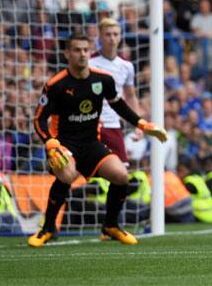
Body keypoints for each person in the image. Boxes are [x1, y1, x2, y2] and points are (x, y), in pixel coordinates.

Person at [28, 33, 167, 247]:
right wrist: (50, 143)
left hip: (92, 144)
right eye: (77, 50)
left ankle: (110, 225)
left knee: (121, 175)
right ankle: (48, 227)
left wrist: (142, 124)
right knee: (66, 174)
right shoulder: (56, 84)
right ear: (67, 54)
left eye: (85, 50)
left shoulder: (103, 79)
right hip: (65, 145)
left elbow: (118, 104)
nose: (82, 54)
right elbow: (39, 119)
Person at [89, 18, 140, 165]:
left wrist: (138, 123)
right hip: (91, 125)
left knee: (121, 172)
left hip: (113, 124)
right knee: (88, 171)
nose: (112, 38)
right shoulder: (90, 63)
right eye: (108, 34)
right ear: (100, 36)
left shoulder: (126, 66)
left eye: (115, 34)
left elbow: (130, 96)